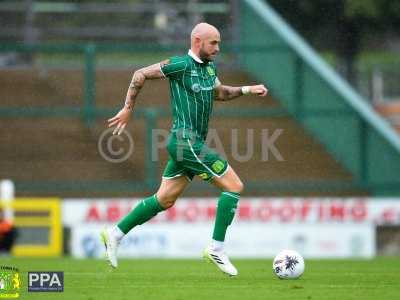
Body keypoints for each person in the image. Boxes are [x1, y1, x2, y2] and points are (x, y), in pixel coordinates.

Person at [101, 22, 268, 277]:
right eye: (213, 43)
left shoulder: (209, 68)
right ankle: (216, 248)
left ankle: (115, 233)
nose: (218, 48)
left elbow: (220, 93)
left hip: (190, 143)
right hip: (184, 141)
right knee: (234, 186)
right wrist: (128, 108)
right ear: (197, 41)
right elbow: (140, 74)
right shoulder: (180, 65)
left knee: (164, 199)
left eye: (219, 43)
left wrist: (247, 89)